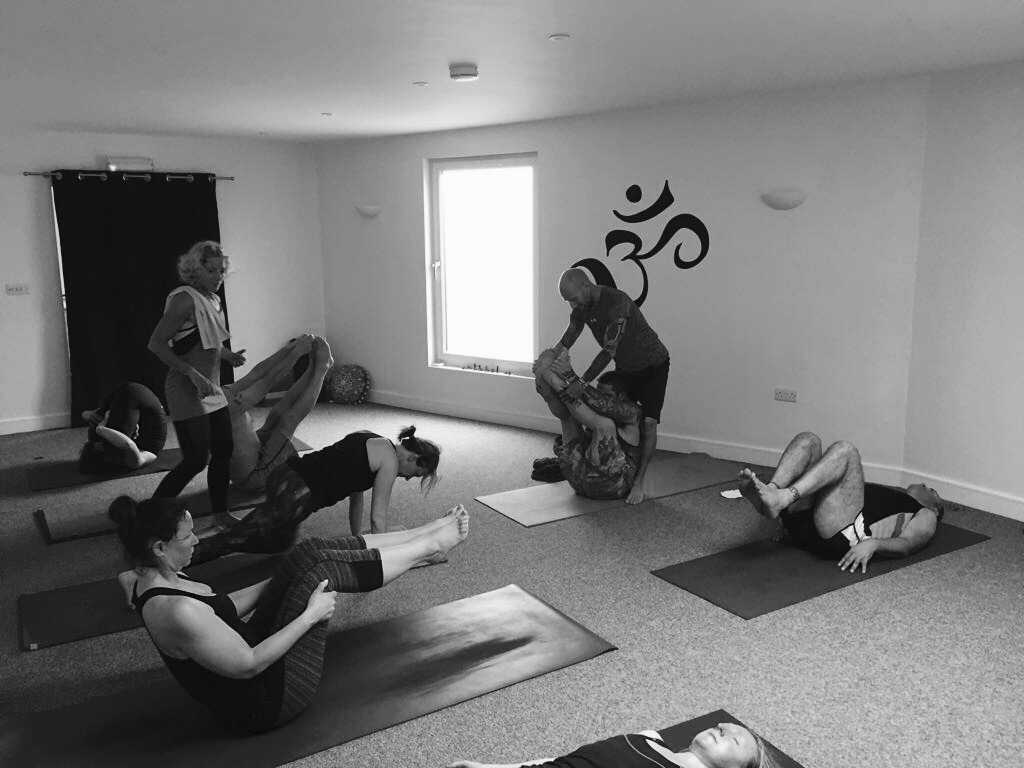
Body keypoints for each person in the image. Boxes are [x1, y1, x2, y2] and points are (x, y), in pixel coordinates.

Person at [108, 495, 469, 734]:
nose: (197, 541)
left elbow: (222, 608)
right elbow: (248, 664)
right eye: (187, 537)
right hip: (266, 702)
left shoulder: (152, 573)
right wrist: (311, 615)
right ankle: (430, 546)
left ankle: (423, 534)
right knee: (320, 570)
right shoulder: (175, 610)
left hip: (251, 650)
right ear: (159, 547)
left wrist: (282, 576)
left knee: (307, 553)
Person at [189, 425, 441, 565]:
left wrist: (357, 537)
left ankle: (232, 531)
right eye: (416, 474)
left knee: (281, 542)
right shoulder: (390, 463)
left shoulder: (372, 438)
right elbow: (378, 518)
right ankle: (183, 556)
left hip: (284, 475)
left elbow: (356, 494)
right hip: (297, 496)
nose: (408, 478)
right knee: (234, 539)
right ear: (413, 457)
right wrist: (384, 558)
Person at [737, 431, 945, 573]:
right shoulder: (893, 495)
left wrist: (874, 544)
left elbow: (908, 544)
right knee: (809, 440)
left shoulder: (926, 514)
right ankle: (773, 494)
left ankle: (782, 498)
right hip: (810, 522)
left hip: (841, 535)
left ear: (936, 508)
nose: (924, 485)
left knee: (846, 451)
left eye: (931, 490)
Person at [551, 268, 670, 505]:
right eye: (568, 301)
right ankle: (617, 465)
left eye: (573, 298)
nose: (572, 305)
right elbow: (568, 337)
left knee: (647, 423)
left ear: (586, 285)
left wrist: (582, 382)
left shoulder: (617, 302)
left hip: (652, 365)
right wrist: (548, 360)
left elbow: (608, 350)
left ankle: (639, 481)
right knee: (612, 412)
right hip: (626, 366)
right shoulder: (582, 307)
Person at [148, 241, 245, 519]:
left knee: (223, 450)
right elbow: (156, 344)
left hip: (210, 389)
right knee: (195, 460)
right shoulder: (184, 299)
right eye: (211, 271)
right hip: (185, 390)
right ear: (195, 270)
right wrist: (191, 373)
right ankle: (150, 515)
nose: (218, 276)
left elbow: (207, 340)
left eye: (221, 270)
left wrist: (227, 355)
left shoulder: (214, 300)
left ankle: (221, 514)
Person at [220, 334, 332, 492]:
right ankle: (321, 369)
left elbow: (256, 373)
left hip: (255, 452)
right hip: (254, 476)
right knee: (289, 420)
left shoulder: (217, 393)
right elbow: (269, 380)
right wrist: (296, 352)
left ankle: (312, 367)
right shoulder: (221, 408)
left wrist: (289, 348)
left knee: (276, 415)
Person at [533, 348, 642, 500]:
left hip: (611, 485)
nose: (600, 397)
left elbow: (601, 404)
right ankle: (551, 391)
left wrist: (563, 377)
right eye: (599, 392)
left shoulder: (632, 413)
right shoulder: (598, 410)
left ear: (622, 396)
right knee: (571, 415)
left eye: (607, 395)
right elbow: (571, 410)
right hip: (578, 480)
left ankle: (554, 384)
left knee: (605, 425)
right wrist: (551, 383)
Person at [447, 720, 779, 768]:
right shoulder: (648, 737)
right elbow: (564, 761)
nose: (722, 728)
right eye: (722, 727)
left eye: (734, 739)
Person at [78, 381, 168, 472]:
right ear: (107, 458)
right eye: (102, 446)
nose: (102, 442)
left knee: (95, 434)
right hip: (140, 399)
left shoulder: (104, 444)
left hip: (126, 392)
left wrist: (86, 414)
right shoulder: (133, 462)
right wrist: (101, 429)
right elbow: (128, 444)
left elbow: (98, 418)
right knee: (110, 439)